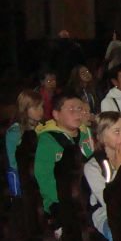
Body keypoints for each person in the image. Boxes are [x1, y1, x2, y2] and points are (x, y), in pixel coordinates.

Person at [34, 92, 94, 228]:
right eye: (71, 109)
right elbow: (44, 176)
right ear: (56, 114)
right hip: (60, 198)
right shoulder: (48, 140)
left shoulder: (87, 134)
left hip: (88, 194)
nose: (77, 113)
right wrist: (66, 197)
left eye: (80, 109)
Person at [83, 112, 121, 241]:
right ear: (101, 136)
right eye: (117, 131)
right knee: (118, 231)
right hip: (105, 213)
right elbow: (108, 201)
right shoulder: (93, 165)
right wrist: (119, 169)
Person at [5, 89, 44, 197]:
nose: (40, 111)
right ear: (24, 109)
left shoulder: (41, 127)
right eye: (36, 108)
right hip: (22, 177)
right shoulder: (15, 131)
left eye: (42, 107)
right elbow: (12, 161)